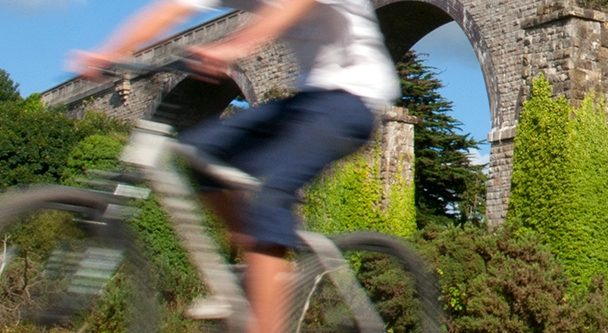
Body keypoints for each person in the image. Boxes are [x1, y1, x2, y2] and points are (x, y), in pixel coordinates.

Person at [70, 0, 398, 331]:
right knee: (200, 152)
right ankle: (260, 268)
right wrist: (112, 51)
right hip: (305, 102)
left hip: (354, 101)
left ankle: (267, 307)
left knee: (272, 192)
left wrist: (234, 47)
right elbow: (173, 7)